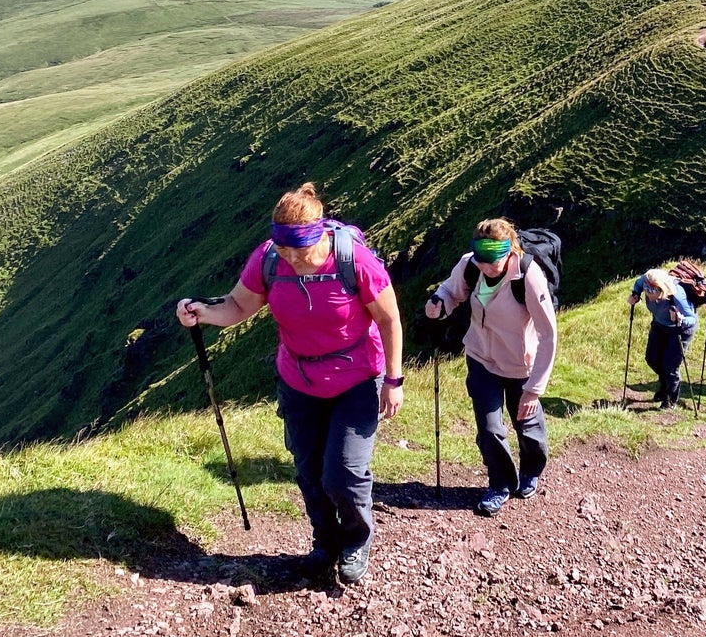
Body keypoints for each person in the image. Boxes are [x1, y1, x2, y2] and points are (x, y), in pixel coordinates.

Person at [176, 182, 404, 585]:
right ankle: (325, 542)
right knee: (309, 471)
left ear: (319, 235)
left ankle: (356, 541)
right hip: (298, 381)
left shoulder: (356, 261)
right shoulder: (268, 259)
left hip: (356, 378)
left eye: (299, 252)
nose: (292, 260)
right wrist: (202, 313)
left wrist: (393, 380)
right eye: (283, 251)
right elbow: (239, 305)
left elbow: (389, 319)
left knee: (343, 472)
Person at [425, 218, 558, 517]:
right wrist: (439, 303)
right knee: (489, 429)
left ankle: (532, 470)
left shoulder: (528, 275)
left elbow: (548, 334)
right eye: (481, 260)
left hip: (519, 366)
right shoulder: (470, 265)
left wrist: (534, 390)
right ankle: (500, 484)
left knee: (529, 428)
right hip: (481, 358)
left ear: (509, 251)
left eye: (492, 261)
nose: (485, 267)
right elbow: (451, 291)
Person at [629, 268, 697, 409]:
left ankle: (670, 399)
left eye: (653, 293)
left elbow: (692, 319)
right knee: (652, 358)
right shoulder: (647, 279)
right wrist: (635, 294)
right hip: (660, 325)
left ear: (662, 289)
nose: (649, 296)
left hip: (680, 330)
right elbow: (638, 283)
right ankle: (666, 384)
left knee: (670, 366)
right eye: (647, 291)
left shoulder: (677, 295)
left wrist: (681, 319)